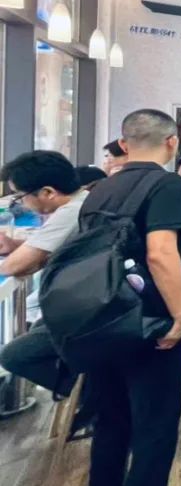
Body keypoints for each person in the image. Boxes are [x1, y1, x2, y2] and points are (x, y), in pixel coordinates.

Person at [76, 109, 181, 486]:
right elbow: (161, 253)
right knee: (155, 426)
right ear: (172, 143)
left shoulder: (101, 188)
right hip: (148, 322)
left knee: (111, 420)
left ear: (124, 145)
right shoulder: (168, 184)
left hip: (101, 320)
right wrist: (179, 314)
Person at [0, 151, 90, 403]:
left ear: (48, 192)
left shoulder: (70, 213)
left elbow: (14, 266)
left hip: (79, 314)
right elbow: (44, 251)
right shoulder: (84, 201)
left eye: (20, 196)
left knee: (14, 355)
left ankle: (95, 397)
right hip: (81, 304)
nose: (21, 203)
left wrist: (17, 255)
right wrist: (15, 245)